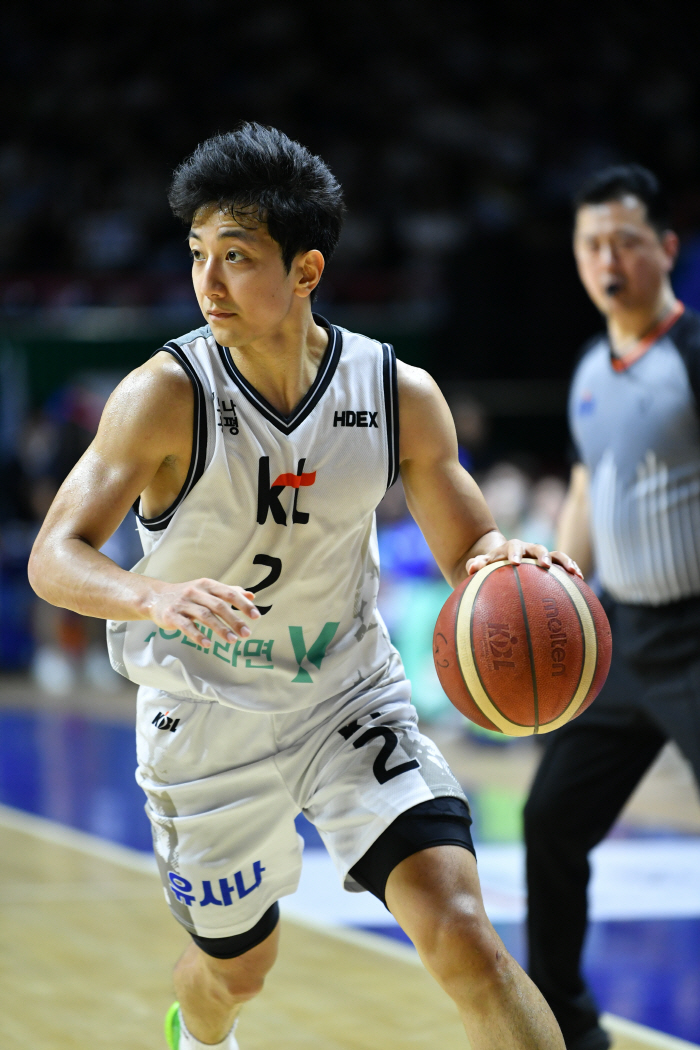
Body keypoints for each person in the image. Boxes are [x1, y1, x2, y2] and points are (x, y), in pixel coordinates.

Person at [29, 123, 576, 1050]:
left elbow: (471, 547)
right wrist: (150, 596)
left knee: (463, 935)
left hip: (345, 696)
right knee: (236, 972)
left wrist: (507, 566)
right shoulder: (164, 394)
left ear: (306, 270)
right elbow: (55, 554)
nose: (207, 281)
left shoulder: (398, 393)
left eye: (237, 257)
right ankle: (201, 1034)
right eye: (197, 253)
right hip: (204, 714)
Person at [524, 164, 700, 1050]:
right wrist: (552, 587)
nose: (608, 259)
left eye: (626, 242)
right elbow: (589, 487)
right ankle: (566, 1027)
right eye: (592, 244)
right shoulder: (592, 367)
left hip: (697, 635)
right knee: (550, 821)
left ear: (665, 249)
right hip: (625, 641)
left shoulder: (692, 353)